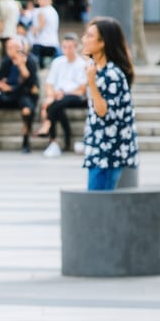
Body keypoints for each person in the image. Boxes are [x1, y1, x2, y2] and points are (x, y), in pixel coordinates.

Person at [81, 17, 138, 191]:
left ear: (102, 43)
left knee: (99, 206)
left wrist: (91, 82)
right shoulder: (98, 69)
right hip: (99, 149)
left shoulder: (112, 74)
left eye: (90, 36)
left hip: (107, 153)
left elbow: (102, 111)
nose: (84, 39)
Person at [0, 38, 39, 153]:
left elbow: (30, 84)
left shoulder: (30, 60)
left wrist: (21, 65)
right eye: (9, 48)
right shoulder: (6, 61)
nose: (11, 50)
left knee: (27, 110)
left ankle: (26, 141)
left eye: (14, 47)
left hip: (24, 95)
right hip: (7, 95)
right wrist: (1, 86)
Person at [36, 33, 88, 157]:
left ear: (76, 47)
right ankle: (65, 137)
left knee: (53, 106)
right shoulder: (57, 62)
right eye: (64, 47)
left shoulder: (81, 64)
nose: (67, 50)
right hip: (59, 97)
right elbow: (49, 83)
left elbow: (81, 89)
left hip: (75, 96)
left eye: (70, 47)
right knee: (55, 105)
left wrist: (62, 94)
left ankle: (50, 134)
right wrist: (52, 95)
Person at [30, 0, 60, 68]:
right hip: (53, 43)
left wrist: (33, 31)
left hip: (41, 44)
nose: (38, 1)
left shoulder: (42, 11)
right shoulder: (53, 11)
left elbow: (41, 25)